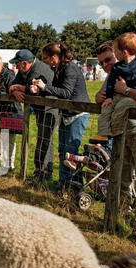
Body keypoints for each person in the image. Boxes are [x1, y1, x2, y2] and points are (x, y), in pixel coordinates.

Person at [94, 40, 136, 238]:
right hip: (121, 135)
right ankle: (118, 216)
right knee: (121, 178)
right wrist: (99, 96)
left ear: (119, 53)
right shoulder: (116, 72)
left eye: (108, 60)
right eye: (101, 63)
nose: (105, 65)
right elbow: (102, 95)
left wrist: (126, 91)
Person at [31, 43, 90, 192]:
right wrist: (39, 89)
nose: (44, 61)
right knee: (64, 152)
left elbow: (66, 92)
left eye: (45, 58)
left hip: (77, 115)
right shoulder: (58, 69)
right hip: (66, 114)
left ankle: (73, 187)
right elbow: (56, 91)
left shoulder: (69, 68)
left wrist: (44, 87)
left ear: (54, 57)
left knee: (71, 153)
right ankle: (65, 185)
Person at [9, 49, 58, 183]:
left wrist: (18, 87)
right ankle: (42, 173)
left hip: (50, 110)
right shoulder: (24, 70)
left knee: (45, 140)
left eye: (17, 64)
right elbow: (11, 85)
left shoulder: (39, 69)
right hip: (40, 110)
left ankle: (43, 173)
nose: (16, 67)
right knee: (43, 139)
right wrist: (15, 91)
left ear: (24, 63)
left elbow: (33, 90)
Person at [98, 33, 136, 138]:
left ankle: (116, 129)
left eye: (115, 51)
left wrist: (129, 90)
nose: (115, 53)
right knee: (106, 108)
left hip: (132, 97)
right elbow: (110, 83)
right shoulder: (117, 67)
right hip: (117, 96)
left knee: (123, 105)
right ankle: (103, 133)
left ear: (124, 52)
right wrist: (109, 98)